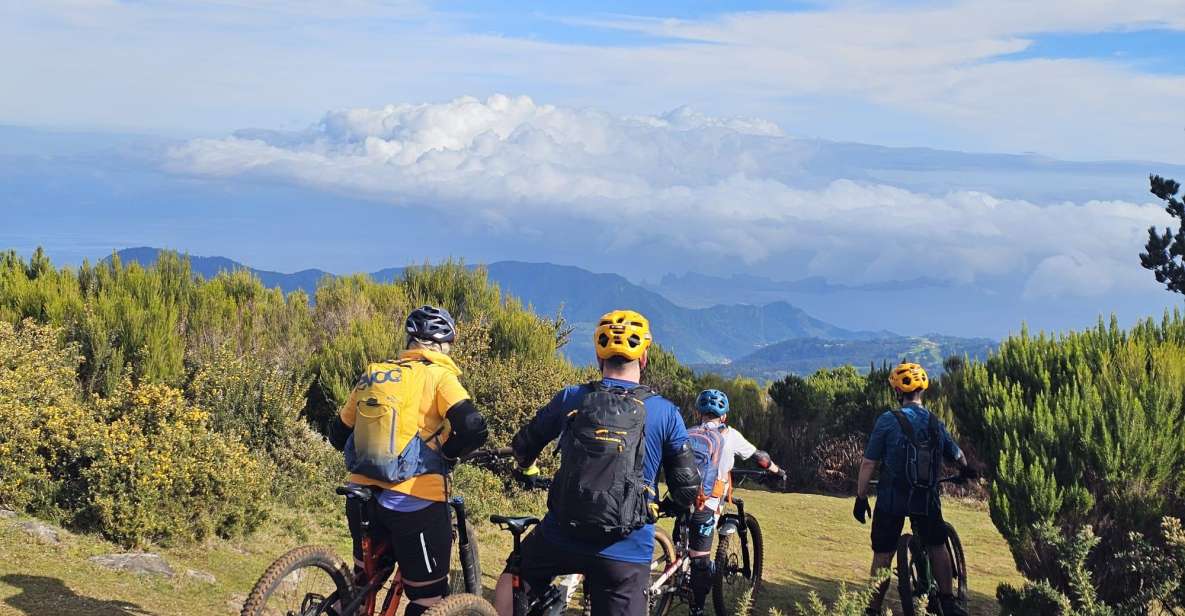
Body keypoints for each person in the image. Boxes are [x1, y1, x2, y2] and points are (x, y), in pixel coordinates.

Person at [494, 309, 701, 616]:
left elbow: (524, 446)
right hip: (627, 549)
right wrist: (662, 507)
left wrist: (527, 470)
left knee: (511, 581)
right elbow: (687, 488)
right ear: (644, 357)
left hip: (561, 535)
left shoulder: (570, 398)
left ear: (597, 355)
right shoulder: (666, 412)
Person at [328, 305, 489, 616]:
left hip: (360, 497)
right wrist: (448, 452)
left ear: (409, 340)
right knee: (428, 599)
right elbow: (473, 427)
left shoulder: (374, 374)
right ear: (444, 345)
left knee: (362, 582)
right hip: (415, 501)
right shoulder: (439, 376)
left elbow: (337, 434)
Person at [853, 362, 977, 616]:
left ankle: (872, 609)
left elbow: (868, 463)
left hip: (891, 499)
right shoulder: (934, 422)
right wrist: (965, 470)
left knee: (883, 554)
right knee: (937, 544)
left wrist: (861, 496)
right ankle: (948, 601)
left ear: (898, 392)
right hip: (925, 497)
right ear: (921, 392)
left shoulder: (888, 421)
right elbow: (956, 453)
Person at [683, 388, 786, 616]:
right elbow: (760, 458)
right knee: (700, 562)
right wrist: (777, 471)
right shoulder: (731, 435)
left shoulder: (687, 432)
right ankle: (696, 609)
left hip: (682, 499)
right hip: (708, 502)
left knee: (684, 546)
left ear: (698, 412)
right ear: (725, 416)